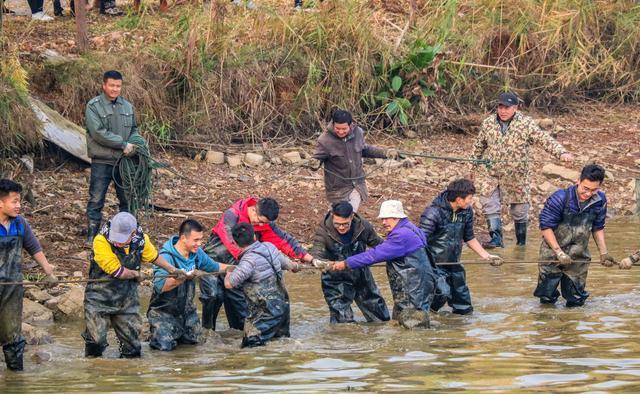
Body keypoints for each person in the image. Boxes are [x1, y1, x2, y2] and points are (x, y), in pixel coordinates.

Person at [471, 92, 574, 248]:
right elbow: (479, 146)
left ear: (515, 108)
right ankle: (496, 239)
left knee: (520, 212)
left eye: (507, 107)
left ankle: (521, 245)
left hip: (517, 177)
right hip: (491, 173)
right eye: (500, 107)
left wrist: (561, 152)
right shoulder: (488, 123)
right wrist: (472, 165)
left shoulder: (526, 124)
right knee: (489, 203)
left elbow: (544, 139)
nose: (503, 111)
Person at [200, 197, 314, 331]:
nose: (260, 225)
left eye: (264, 223)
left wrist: (309, 258)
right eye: (259, 221)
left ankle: (237, 337)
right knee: (212, 296)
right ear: (253, 210)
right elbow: (230, 241)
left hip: (239, 268)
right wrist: (252, 257)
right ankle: (207, 333)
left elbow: (283, 240)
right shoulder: (232, 215)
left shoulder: (263, 224)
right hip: (212, 263)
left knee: (239, 309)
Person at [82, 212, 187, 358]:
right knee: (96, 342)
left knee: (132, 349)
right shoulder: (101, 241)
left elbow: (153, 257)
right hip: (99, 298)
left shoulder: (141, 239)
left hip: (127, 300)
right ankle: (93, 365)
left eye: (122, 239)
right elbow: (117, 271)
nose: (118, 242)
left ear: (133, 233)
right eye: (116, 238)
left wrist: (172, 269)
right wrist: (137, 274)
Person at [329, 200, 436, 329]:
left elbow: (374, 255)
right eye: (382, 219)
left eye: (387, 219)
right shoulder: (411, 227)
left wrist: (346, 263)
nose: (384, 223)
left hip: (412, 289)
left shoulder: (401, 235)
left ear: (397, 217)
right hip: (421, 286)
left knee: (412, 329)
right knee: (404, 324)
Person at [533, 164, 615, 307]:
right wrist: (559, 253)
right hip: (552, 255)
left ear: (600, 186)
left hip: (579, 257)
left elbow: (598, 227)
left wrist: (604, 253)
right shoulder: (560, 198)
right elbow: (546, 227)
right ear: (578, 181)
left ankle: (571, 325)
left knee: (576, 299)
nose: (588, 193)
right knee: (547, 298)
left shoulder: (600, 200)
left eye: (594, 190)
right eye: (585, 188)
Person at [419, 179, 503, 315]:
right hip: (434, 264)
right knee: (441, 293)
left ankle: (461, 328)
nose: (471, 201)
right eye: (469, 198)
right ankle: (426, 315)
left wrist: (487, 256)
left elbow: (469, 237)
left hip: (454, 262)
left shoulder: (466, 212)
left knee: (463, 301)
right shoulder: (433, 213)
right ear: (458, 199)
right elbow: (419, 241)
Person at [147, 219, 231, 351]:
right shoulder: (166, 257)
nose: (199, 244)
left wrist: (234, 268)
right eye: (196, 240)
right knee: (162, 349)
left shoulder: (197, 254)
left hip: (188, 314)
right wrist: (182, 277)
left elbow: (214, 266)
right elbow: (161, 286)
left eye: (201, 240)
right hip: (164, 314)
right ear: (183, 238)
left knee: (197, 347)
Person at [0, 179, 57, 371]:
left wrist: (47, 270)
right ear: (0, 202)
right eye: (14, 201)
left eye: (20, 201)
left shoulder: (20, 223)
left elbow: (33, 247)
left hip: (12, 289)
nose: (19, 206)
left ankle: (16, 377)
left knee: (13, 335)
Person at [85, 70, 143, 247]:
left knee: (127, 199)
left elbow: (134, 129)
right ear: (104, 85)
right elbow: (98, 133)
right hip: (102, 161)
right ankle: (92, 236)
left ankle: (128, 234)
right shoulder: (93, 106)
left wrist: (133, 144)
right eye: (111, 85)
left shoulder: (127, 106)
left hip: (123, 162)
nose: (115, 89)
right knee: (96, 199)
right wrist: (122, 144)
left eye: (118, 86)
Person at [310, 201, 390, 323]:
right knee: (343, 323)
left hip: (361, 274)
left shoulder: (363, 226)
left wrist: (395, 251)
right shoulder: (323, 230)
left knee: (380, 316)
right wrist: (319, 262)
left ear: (352, 217)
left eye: (345, 224)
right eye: (337, 224)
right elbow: (317, 251)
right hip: (335, 279)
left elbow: (379, 245)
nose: (341, 227)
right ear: (332, 216)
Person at [224, 223, 300, 347]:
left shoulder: (248, 261)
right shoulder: (270, 247)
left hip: (265, 314)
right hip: (283, 307)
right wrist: (297, 266)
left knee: (250, 347)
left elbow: (229, 284)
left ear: (236, 243)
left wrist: (228, 272)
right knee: (281, 343)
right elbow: (290, 265)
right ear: (254, 236)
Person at [310, 110, 399, 212]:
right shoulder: (324, 140)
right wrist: (314, 163)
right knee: (336, 217)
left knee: (350, 214)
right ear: (333, 124)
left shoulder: (358, 133)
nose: (341, 131)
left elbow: (364, 149)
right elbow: (317, 159)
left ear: (350, 125)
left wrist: (385, 153)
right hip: (337, 190)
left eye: (344, 129)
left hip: (357, 185)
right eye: (337, 128)